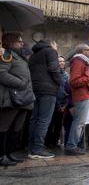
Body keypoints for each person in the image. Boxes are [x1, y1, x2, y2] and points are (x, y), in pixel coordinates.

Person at [0, 33, 34, 166]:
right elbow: (1, 73)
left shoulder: (20, 57)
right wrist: (20, 83)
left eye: (22, 41)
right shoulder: (7, 55)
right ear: (10, 42)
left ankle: (9, 152)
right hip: (11, 97)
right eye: (19, 41)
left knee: (17, 127)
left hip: (23, 97)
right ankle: (1, 155)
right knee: (4, 126)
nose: (22, 43)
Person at [28, 38, 61, 159]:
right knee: (44, 119)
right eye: (56, 46)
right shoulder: (50, 51)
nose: (56, 48)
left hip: (35, 88)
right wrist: (59, 82)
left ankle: (32, 147)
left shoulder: (33, 55)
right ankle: (38, 148)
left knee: (34, 119)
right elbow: (54, 68)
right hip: (48, 89)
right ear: (52, 44)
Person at [65, 44, 89, 155]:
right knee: (78, 122)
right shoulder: (78, 62)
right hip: (81, 95)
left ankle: (72, 145)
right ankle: (71, 146)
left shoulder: (81, 62)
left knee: (78, 122)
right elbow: (74, 81)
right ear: (83, 51)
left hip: (84, 95)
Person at [45, 56, 69, 149]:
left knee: (59, 124)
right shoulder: (53, 73)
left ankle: (55, 141)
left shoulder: (65, 74)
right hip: (54, 100)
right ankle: (48, 141)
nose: (62, 63)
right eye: (59, 61)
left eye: (63, 61)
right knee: (51, 123)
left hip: (62, 101)